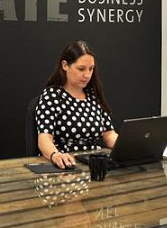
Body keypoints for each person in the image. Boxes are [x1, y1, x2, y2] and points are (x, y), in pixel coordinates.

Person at [35, 40, 118, 169]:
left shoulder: (93, 96)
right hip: (66, 165)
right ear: (65, 65)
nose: (87, 75)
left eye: (91, 69)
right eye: (81, 69)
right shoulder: (52, 96)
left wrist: (130, 146)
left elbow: (109, 135)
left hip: (93, 164)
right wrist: (55, 155)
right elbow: (44, 139)